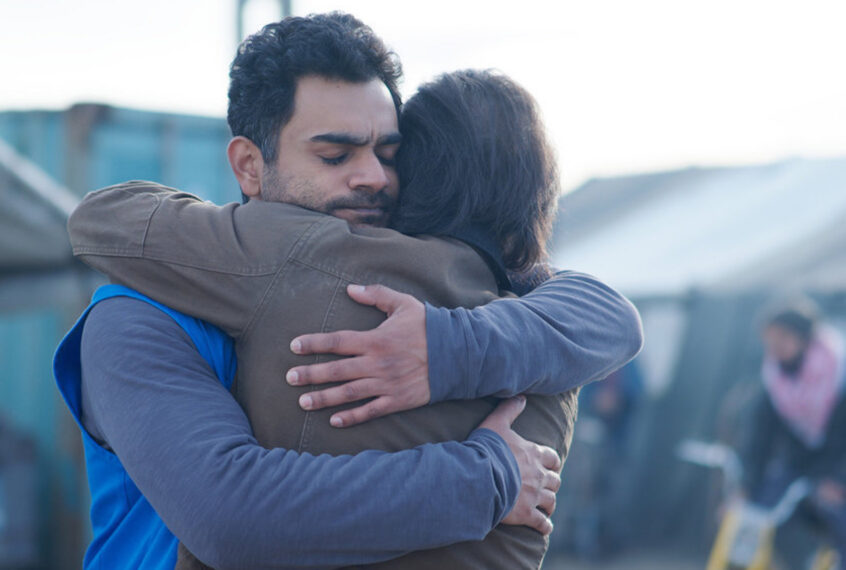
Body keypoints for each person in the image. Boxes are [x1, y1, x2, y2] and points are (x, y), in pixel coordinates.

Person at [61, 12, 642, 569]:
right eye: (335, 155)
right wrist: (486, 476)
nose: (374, 178)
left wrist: (448, 347)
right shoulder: (137, 318)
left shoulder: (426, 295)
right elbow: (232, 516)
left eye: (390, 154)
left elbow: (604, 312)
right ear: (249, 166)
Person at [741, 299, 846, 565]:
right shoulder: (774, 379)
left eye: (783, 337)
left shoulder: (839, 372)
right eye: (770, 339)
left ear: (805, 339)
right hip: (798, 465)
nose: (775, 346)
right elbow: (760, 436)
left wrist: (838, 479)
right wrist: (745, 486)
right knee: (755, 512)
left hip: (837, 468)